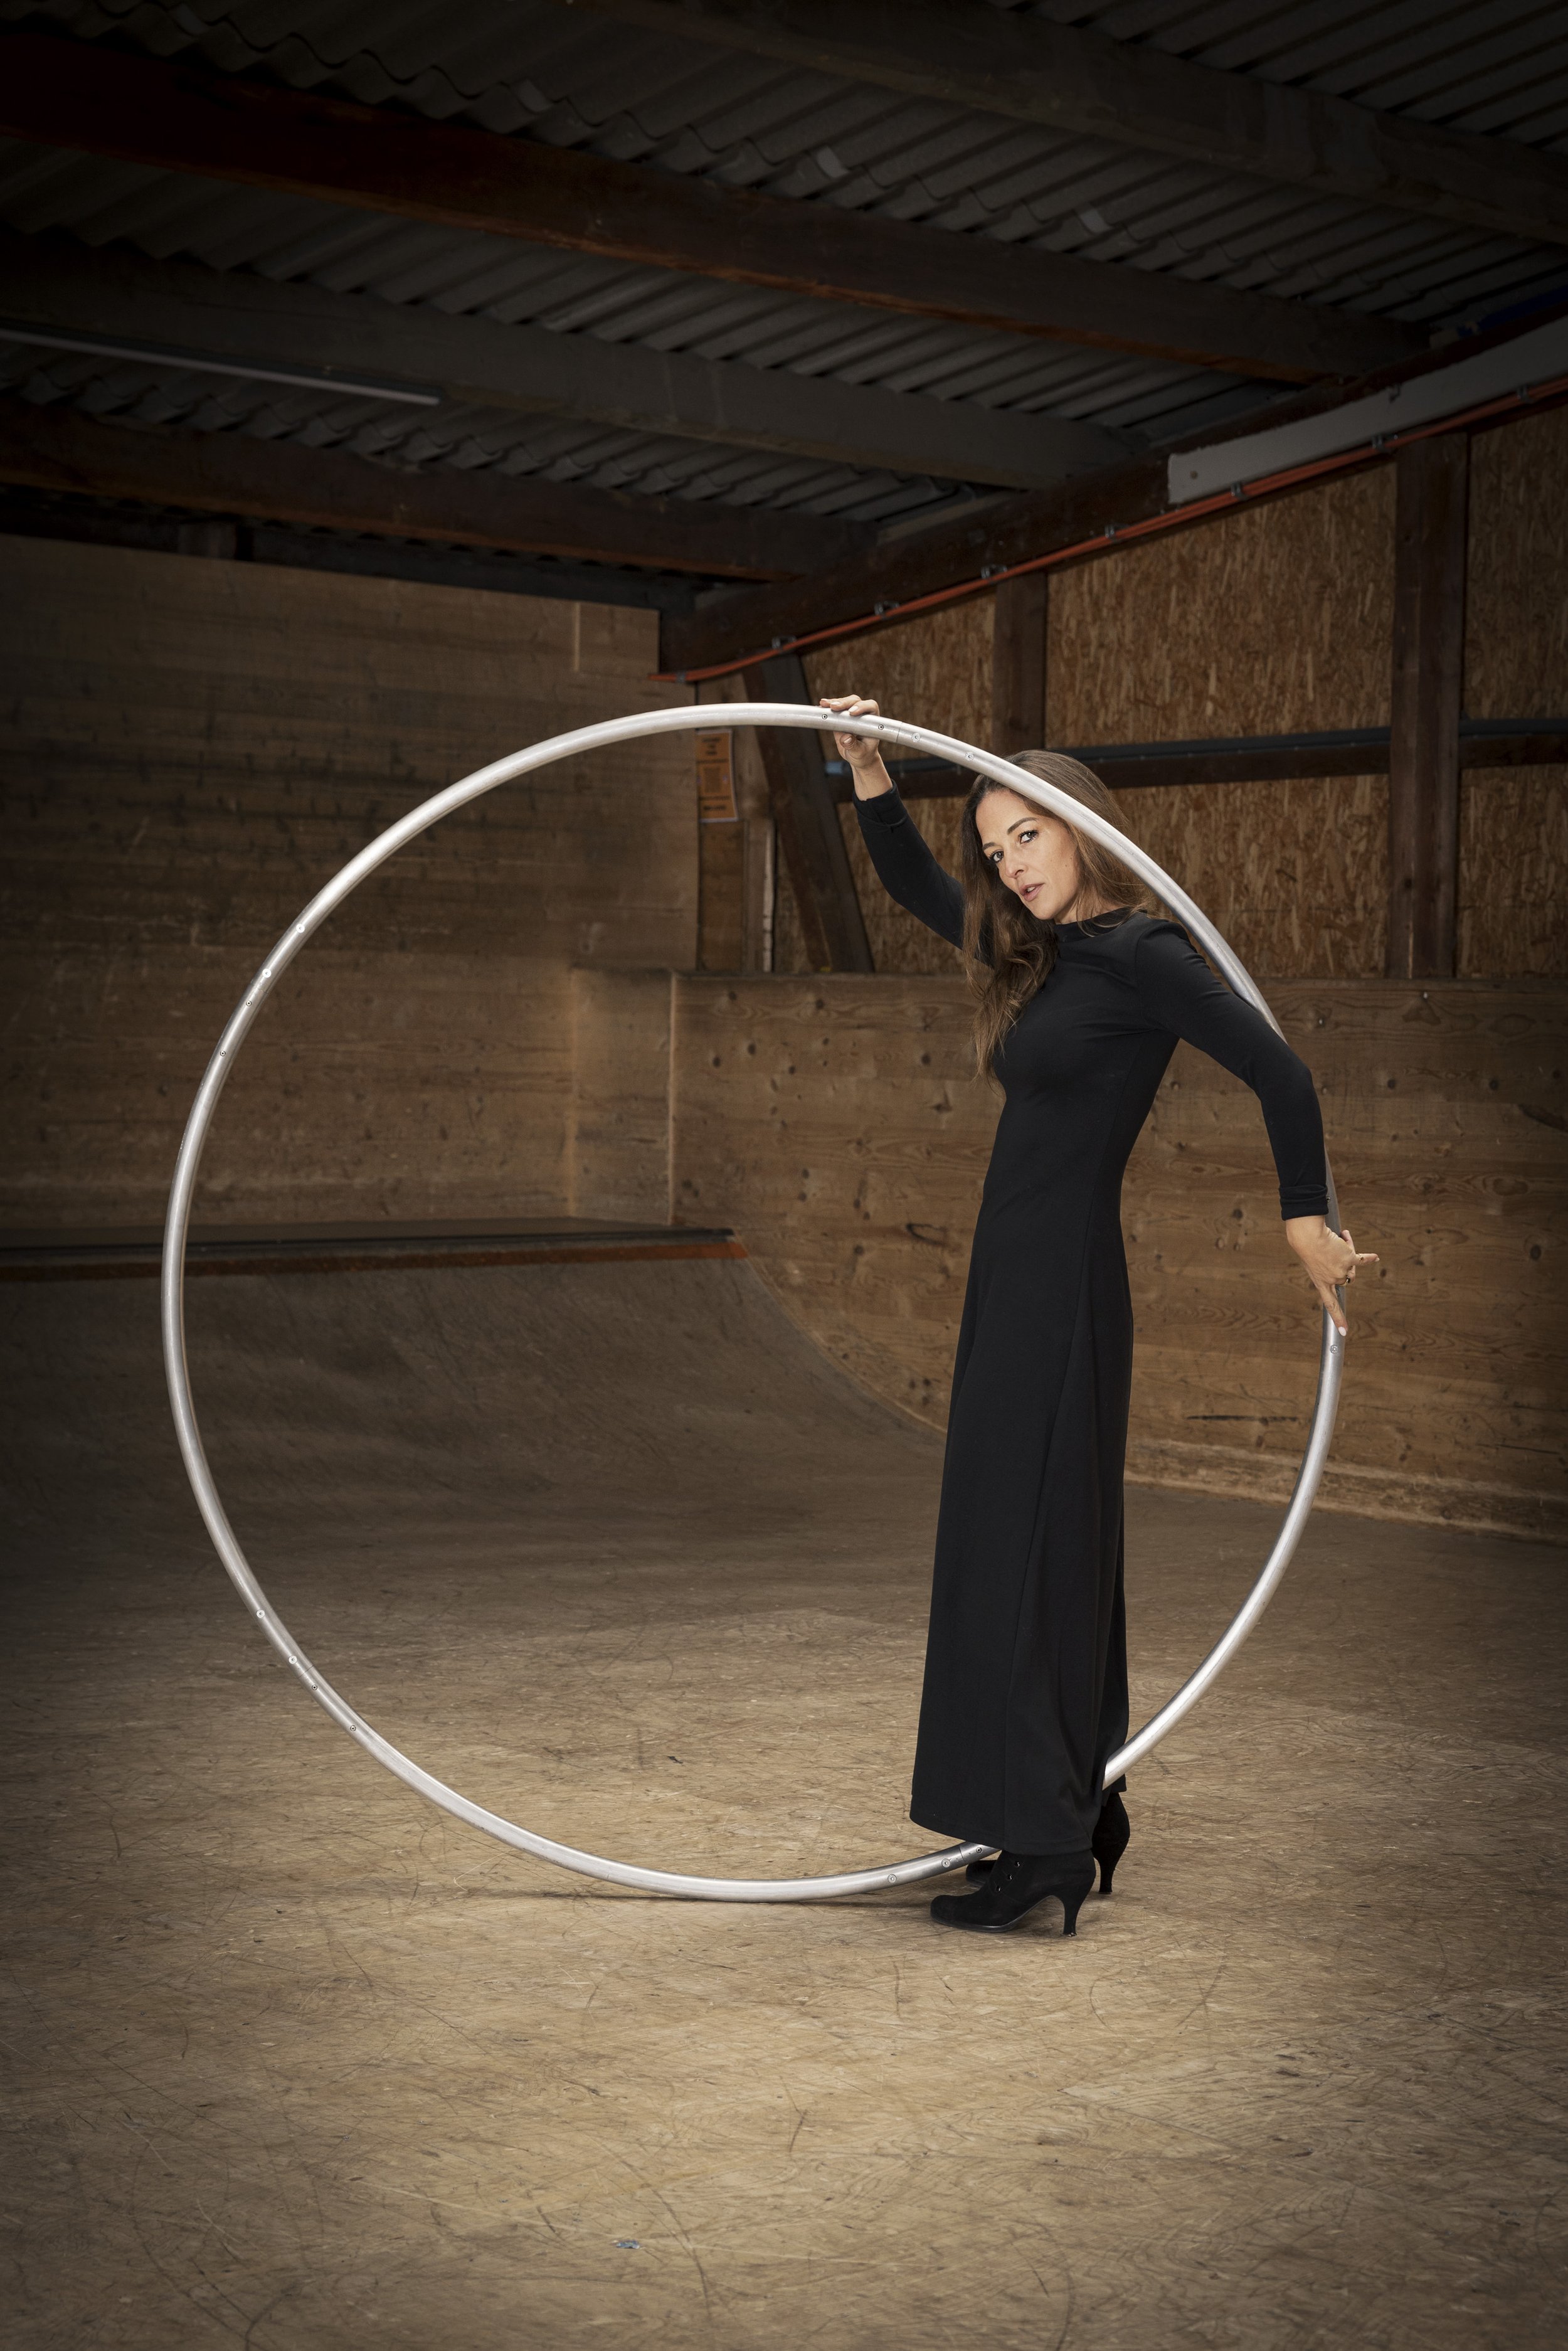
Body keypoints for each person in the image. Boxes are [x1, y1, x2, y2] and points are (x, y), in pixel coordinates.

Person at [820, 694, 1376, 1938]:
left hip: (1063, 1284)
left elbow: (1280, 1071)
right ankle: (1067, 1802)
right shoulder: (1033, 953)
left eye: (1030, 834)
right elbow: (914, 885)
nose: (1012, 863)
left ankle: (1048, 1844)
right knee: (1010, 1537)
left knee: (1032, 1543)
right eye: (996, 847)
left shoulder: (1139, 953)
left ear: (1082, 826)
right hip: (1008, 1279)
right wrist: (866, 770)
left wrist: (1303, 1218)